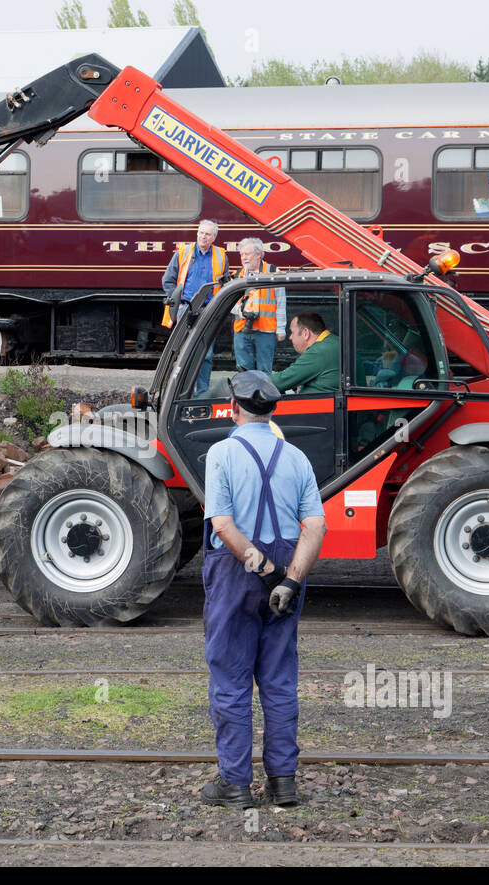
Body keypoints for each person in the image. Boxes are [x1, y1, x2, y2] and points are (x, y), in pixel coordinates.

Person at [200, 371, 326, 809]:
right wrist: (290, 579)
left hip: (238, 572)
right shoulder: (297, 458)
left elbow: (222, 525)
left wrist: (265, 569)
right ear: (272, 409)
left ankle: (235, 786)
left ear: (233, 408)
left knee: (232, 681)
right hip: (289, 571)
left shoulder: (221, 453)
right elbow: (316, 525)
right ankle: (283, 783)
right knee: (278, 679)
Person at [161, 219, 229, 394]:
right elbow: (167, 280)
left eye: (207, 234)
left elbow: (226, 283)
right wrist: (176, 300)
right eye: (200, 233)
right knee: (182, 352)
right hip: (186, 309)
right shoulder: (182, 253)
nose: (203, 237)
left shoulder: (221, 256)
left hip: (209, 309)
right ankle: (180, 392)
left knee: (205, 354)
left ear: (214, 237)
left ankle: (202, 392)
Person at [230, 237, 285, 374]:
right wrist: (241, 312)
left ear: (259, 254)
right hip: (242, 330)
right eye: (241, 254)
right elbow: (230, 304)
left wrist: (281, 329)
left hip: (265, 330)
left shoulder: (273, 271)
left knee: (264, 371)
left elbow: (281, 302)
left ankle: (262, 395)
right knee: (243, 371)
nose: (243, 258)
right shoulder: (237, 275)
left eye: (247, 254)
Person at [271, 312, 340, 394]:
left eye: (292, 332)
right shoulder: (333, 342)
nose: (290, 337)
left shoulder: (318, 351)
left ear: (305, 333)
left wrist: (254, 378)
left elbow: (279, 382)